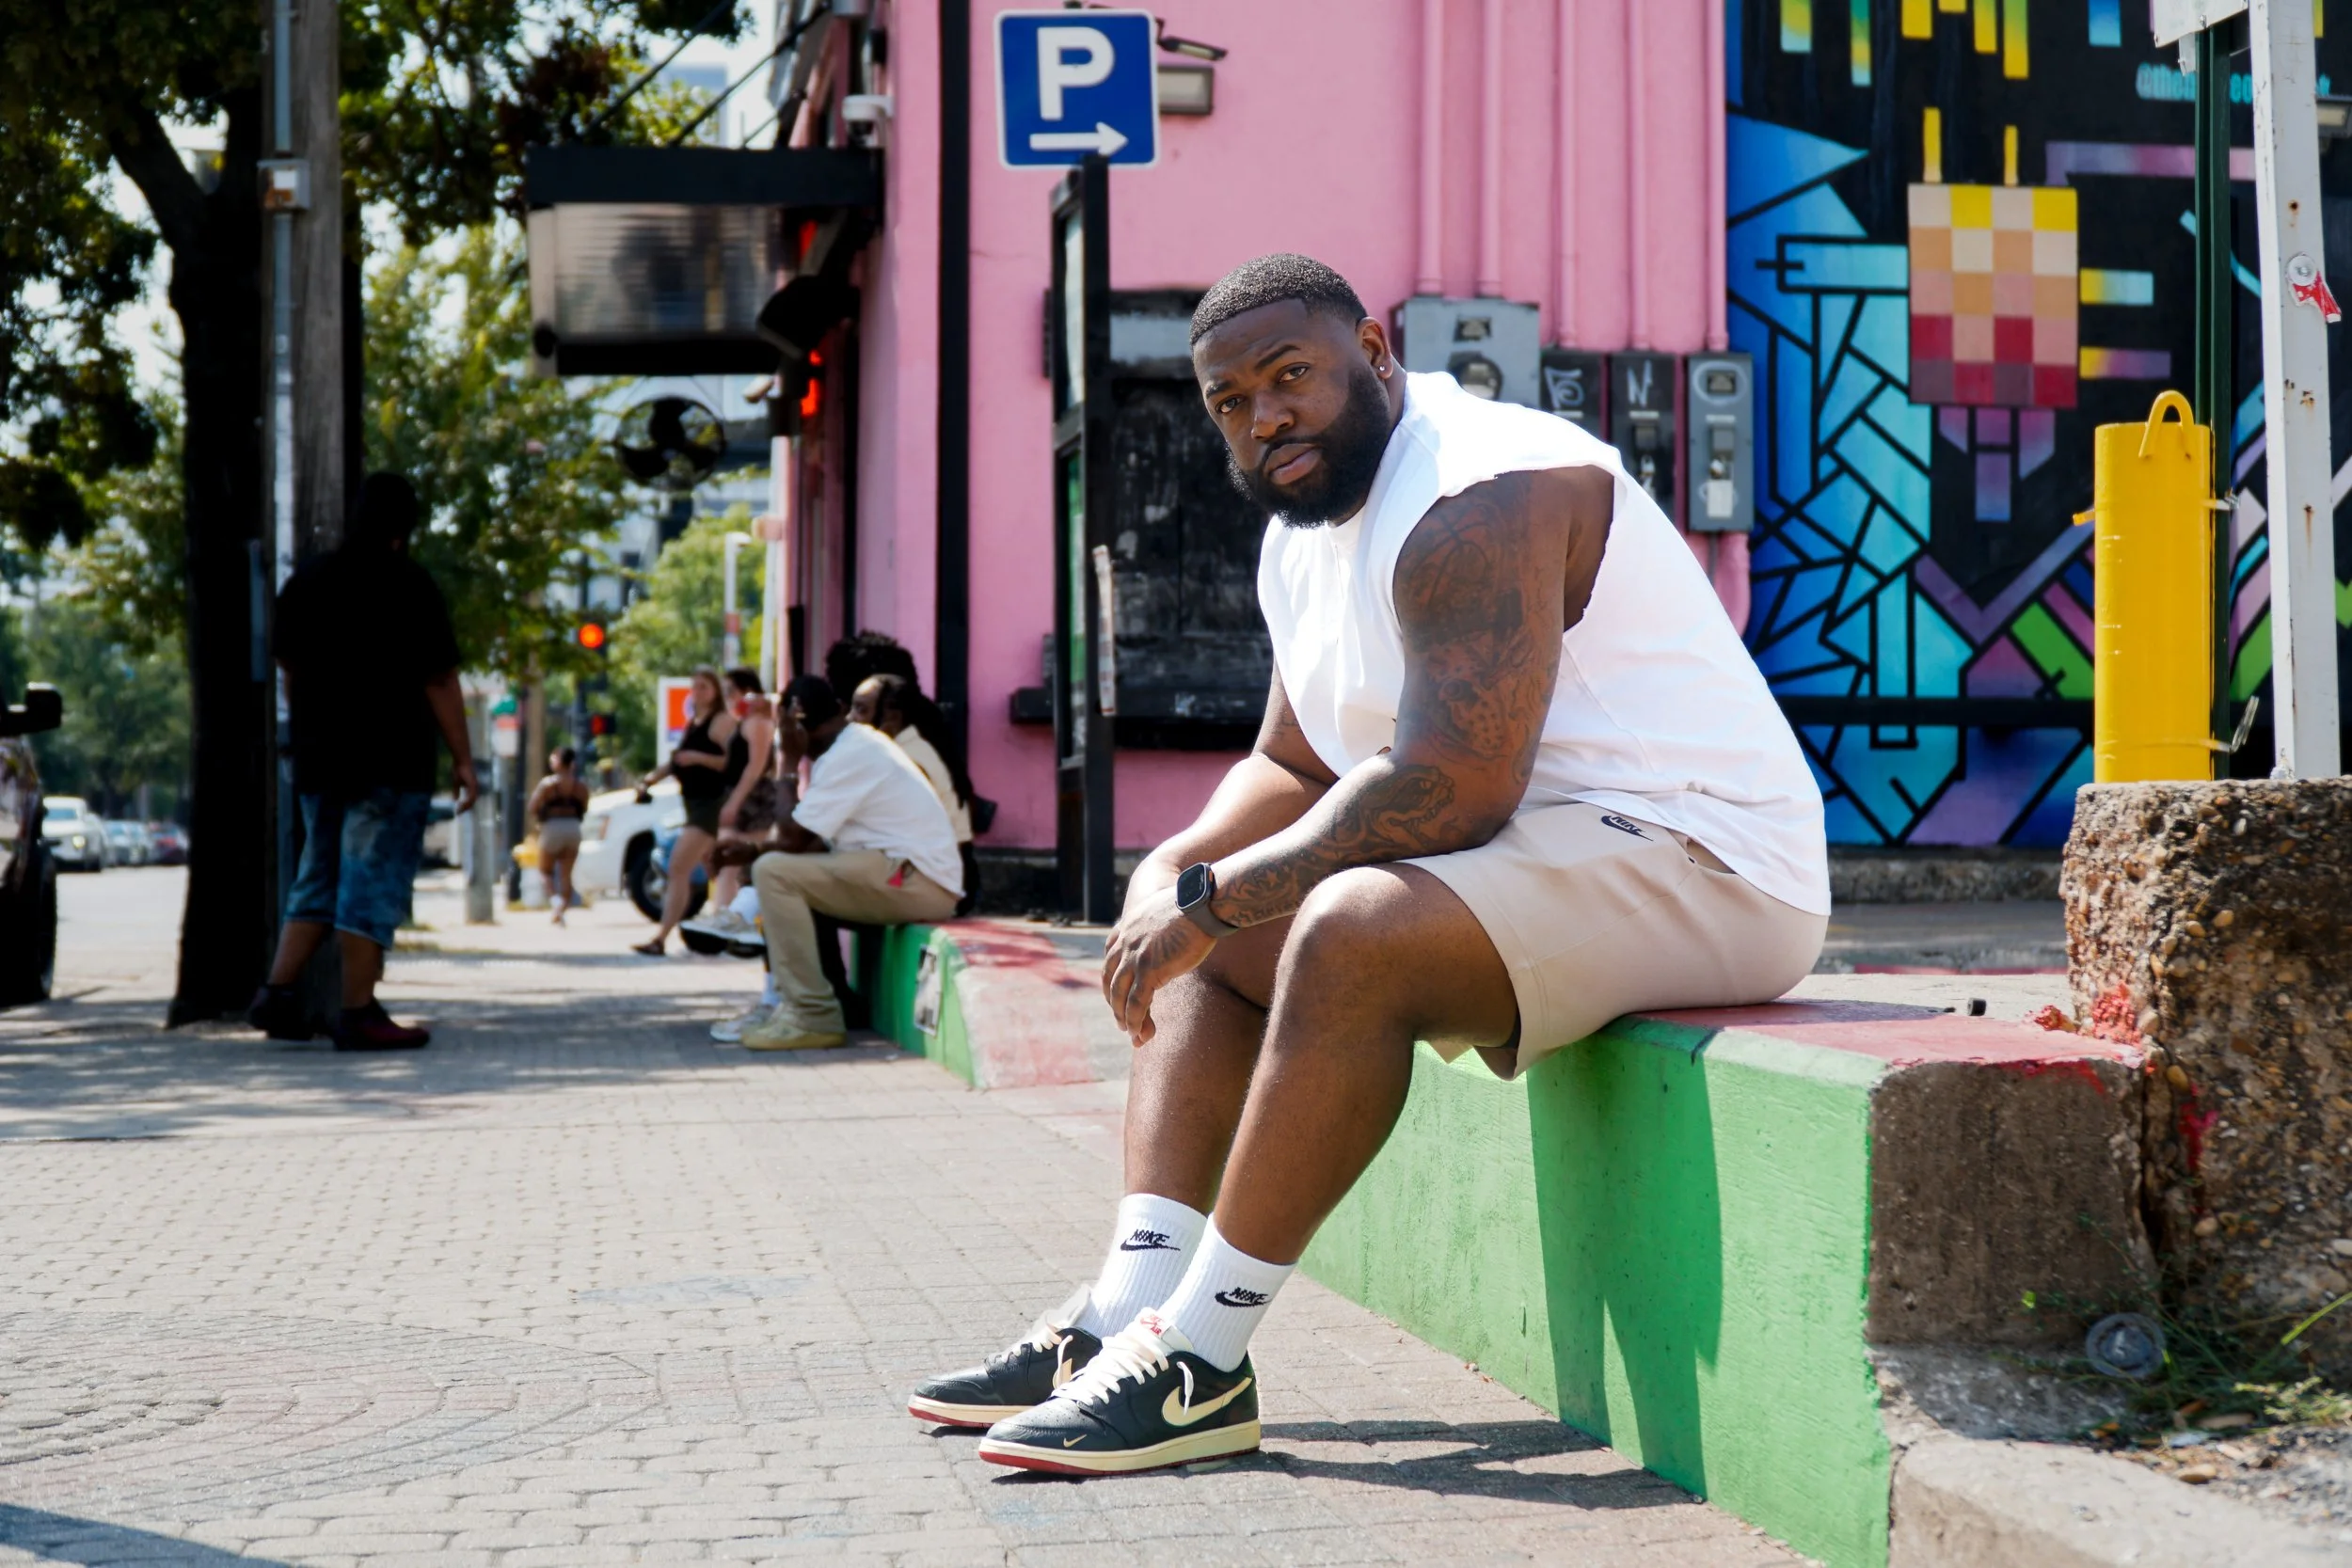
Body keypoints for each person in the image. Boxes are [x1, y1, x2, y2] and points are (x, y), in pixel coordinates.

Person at [909, 255, 1830, 1475]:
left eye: (1291, 377)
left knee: (1340, 926)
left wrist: (1226, 892)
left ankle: (1201, 1358)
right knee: (1206, 917)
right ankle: (1123, 1312)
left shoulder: (1478, 487)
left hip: (1708, 857)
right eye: (1231, 402)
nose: (1264, 418)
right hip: (1543, 855)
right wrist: (1181, 869)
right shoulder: (1304, 532)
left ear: (1376, 350)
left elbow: (1453, 784)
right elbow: (1293, 760)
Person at [246, 471, 479, 1050]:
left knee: (319, 874)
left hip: (319, 758)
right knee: (367, 884)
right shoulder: (410, 585)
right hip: (388, 759)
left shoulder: (308, 581)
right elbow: (439, 679)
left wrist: (310, 731)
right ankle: (359, 1011)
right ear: (403, 531)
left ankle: (277, 994)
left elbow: (289, 667)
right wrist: (464, 762)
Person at [709, 673, 962, 1052]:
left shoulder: (851, 754)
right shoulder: (850, 748)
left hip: (917, 881)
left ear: (795, 724)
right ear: (839, 710)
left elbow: (792, 839)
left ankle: (811, 1015)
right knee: (786, 873)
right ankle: (840, 1005)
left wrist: (789, 762)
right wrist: (752, 851)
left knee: (774, 874)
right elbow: (805, 845)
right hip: (904, 875)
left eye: (782, 728)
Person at [850, 673, 981, 915]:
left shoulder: (909, 761)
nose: (850, 719)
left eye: (860, 710)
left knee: (811, 884)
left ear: (892, 718)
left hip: (936, 883)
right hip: (929, 875)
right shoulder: (901, 751)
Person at [631, 667, 736, 957]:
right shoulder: (694, 723)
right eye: (695, 686)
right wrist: (650, 779)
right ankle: (727, 931)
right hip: (692, 805)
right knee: (720, 871)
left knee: (678, 868)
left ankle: (661, 938)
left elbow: (732, 762)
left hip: (710, 805)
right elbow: (677, 761)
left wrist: (699, 758)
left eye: (704, 686)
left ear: (715, 691)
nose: (698, 692)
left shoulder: (721, 722)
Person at [691, 669, 777, 942]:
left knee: (732, 858)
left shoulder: (758, 724)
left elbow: (756, 767)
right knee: (730, 863)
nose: (729, 698)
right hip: (738, 796)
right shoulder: (743, 723)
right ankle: (728, 920)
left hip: (754, 799)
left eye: (732, 692)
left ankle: (726, 922)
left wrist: (735, 801)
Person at [529, 746, 592, 925]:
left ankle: (555, 901)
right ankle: (561, 909)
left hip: (551, 828)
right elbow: (585, 808)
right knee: (566, 875)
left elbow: (532, 807)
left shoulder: (547, 784)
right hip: (573, 829)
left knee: (544, 871)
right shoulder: (580, 787)